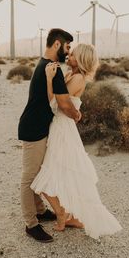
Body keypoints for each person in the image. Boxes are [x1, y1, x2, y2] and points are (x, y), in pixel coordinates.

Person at [31, 44, 122, 239]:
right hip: (59, 127)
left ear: (80, 59)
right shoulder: (70, 75)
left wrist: (49, 81)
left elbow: (58, 104)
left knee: (49, 174)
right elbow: (57, 102)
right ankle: (67, 214)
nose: (68, 55)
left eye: (72, 54)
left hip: (63, 130)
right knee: (56, 172)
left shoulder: (78, 78)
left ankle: (63, 215)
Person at [18, 28, 81, 243]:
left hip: (38, 127)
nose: (68, 51)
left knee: (37, 172)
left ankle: (39, 210)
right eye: (67, 47)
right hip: (34, 129)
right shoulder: (52, 68)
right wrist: (77, 115)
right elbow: (63, 103)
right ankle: (31, 224)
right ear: (57, 45)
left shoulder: (45, 65)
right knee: (29, 178)